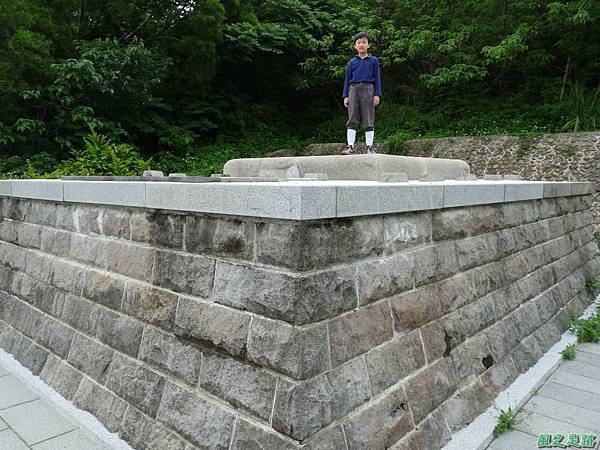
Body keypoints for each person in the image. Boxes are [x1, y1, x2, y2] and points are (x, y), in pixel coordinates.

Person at [341, 32, 382, 155]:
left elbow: (377, 78)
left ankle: (369, 146)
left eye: (364, 42)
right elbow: (347, 79)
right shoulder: (352, 62)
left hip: (368, 89)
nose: (361, 45)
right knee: (352, 117)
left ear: (368, 45)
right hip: (353, 89)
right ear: (355, 46)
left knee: (368, 118)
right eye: (359, 42)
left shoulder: (373, 60)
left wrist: (377, 94)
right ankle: (350, 146)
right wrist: (345, 96)